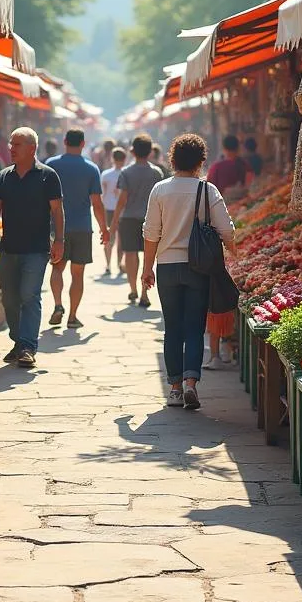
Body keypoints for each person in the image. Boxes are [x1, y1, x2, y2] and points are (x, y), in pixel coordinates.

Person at [142, 133, 235, 410]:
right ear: (200, 161)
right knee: (195, 327)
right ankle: (191, 383)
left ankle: (174, 389)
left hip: (168, 268)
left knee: (173, 329)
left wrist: (147, 268)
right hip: (198, 268)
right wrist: (231, 247)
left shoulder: (160, 189)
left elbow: (150, 233)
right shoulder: (208, 191)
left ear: (173, 159)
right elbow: (227, 230)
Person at [0, 128, 64, 369]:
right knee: (9, 299)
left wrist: (59, 240)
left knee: (29, 295)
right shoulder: (4, 176)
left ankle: (28, 346)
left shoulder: (48, 176)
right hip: (8, 248)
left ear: (32, 149)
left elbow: (57, 211)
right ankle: (18, 341)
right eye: (10, 143)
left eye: (16, 144)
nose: (11, 148)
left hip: (36, 250)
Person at [46, 130, 108, 328]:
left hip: (57, 228)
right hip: (82, 227)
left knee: (57, 267)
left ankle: (57, 305)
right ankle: (72, 316)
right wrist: (104, 228)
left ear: (64, 141)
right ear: (83, 143)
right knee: (77, 274)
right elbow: (97, 203)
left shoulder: (51, 165)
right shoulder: (91, 168)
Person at [110, 134, 165, 307]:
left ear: (132, 151)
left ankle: (133, 289)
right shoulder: (157, 173)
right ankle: (144, 293)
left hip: (129, 218)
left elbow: (122, 199)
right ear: (150, 151)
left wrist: (113, 222)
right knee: (148, 258)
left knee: (130, 254)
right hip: (151, 219)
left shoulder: (126, 172)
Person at [100, 146, 126, 276]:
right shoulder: (127, 173)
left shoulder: (106, 174)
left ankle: (108, 265)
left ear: (112, 158)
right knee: (121, 239)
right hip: (123, 210)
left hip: (108, 208)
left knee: (109, 238)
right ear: (124, 159)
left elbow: (102, 194)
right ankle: (120, 263)